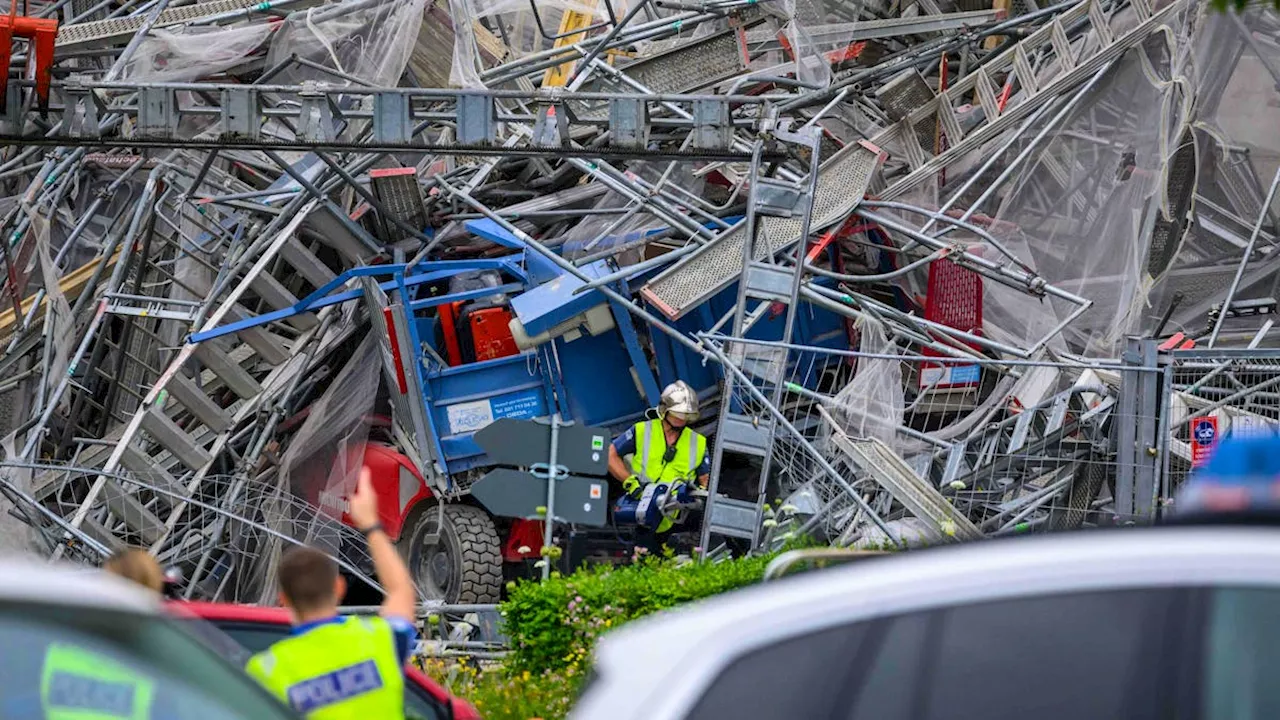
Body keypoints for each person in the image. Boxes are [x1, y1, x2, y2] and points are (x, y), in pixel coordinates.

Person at [246, 468, 417, 719]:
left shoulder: (265, 672)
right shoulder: (379, 639)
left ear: (283, 599)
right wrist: (370, 525)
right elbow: (401, 590)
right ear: (339, 587)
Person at [608, 380, 710, 551]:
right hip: (641, 508)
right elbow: (610, 455)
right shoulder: (641, 430)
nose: (681, 420)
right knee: (644, 561)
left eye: (686, 416)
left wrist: (694, 498)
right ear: (664, 410)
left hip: (676, 515)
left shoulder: (698, 442)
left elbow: (705, 481)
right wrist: (630, 482)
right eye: (677, 415)